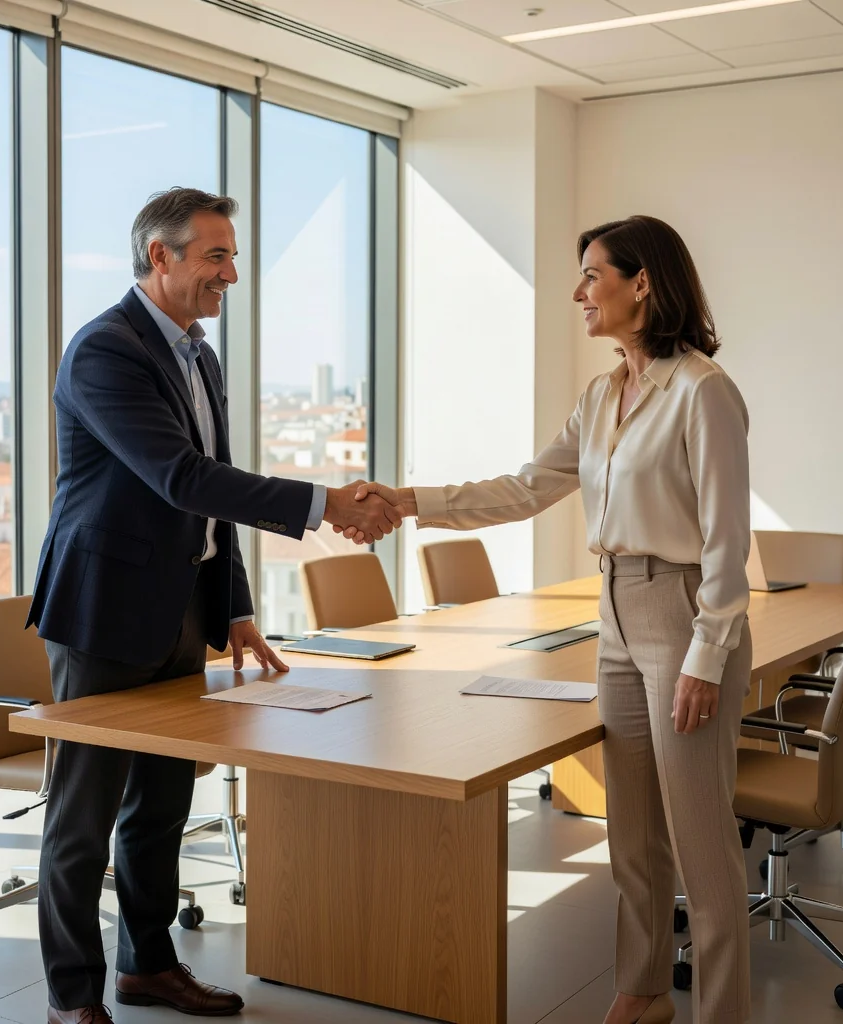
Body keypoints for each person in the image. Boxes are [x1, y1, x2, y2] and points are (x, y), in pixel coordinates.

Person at [347, 216, 752, 1024]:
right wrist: (411, 500)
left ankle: (722, 1013)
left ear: (644, 283)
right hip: (614, 613)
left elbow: (727, 542)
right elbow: (528, 487)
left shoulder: (704, 392)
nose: (578, 293)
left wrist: (709, 654)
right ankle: (642, 993)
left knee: (702, 850)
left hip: (680, 616)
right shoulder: (603, 395)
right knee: (631, 835)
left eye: (593, 275)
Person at [27, 187, 402, 1023]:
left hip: (182, 613)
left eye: (232, 255)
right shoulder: (105, 351)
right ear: (158, 257)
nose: (231, 273)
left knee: (161, 806)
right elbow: (181, 477)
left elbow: (211, 496)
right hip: (102, 614)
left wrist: (231, 605)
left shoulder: (198, 353)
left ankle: (147, 967)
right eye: (214, 256)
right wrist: (325, 504)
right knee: (83, 822)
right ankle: (70, 999)